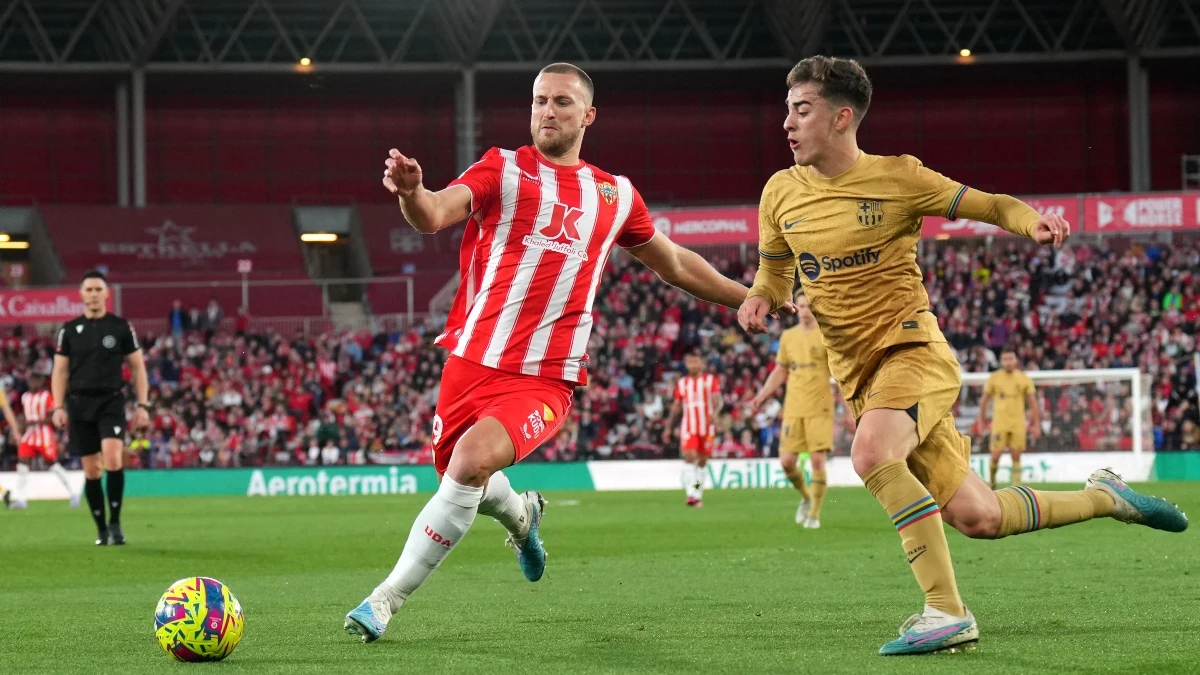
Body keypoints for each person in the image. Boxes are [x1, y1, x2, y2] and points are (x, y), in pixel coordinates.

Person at [737, 55, 1188, 656]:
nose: (787, 124)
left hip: (912, 350)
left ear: (842, 117)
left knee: (871, 453)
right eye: (786, 111)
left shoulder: (899, 177)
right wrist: (761, 298)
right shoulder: (780, 191)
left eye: (802, 110)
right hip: (860, 378)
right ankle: (1108, 497)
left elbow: (994, 204)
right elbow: (775, 268)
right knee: (980, 517)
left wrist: (1033, 223)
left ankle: (945, 612)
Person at [344, 62, 770, 643]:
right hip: (470, 360)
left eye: (563, 102)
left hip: (545, 376)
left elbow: (674, 263)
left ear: (588, 115)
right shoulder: (504, 167)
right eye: (540, 100)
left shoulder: (615, 195)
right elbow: (435, 214)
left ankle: (383, 600)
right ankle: (522, 516)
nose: (548, 111)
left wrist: (749, 296)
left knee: (468, 465)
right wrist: (414, 191)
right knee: (461, 476)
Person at [52, 271, 151, 545]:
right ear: (82, 294)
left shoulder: (120, 327)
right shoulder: (69, 329)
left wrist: (143, 405)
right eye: (89, 289)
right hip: (79, 403)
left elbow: (138, 368)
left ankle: (116, 523)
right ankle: (101, 529)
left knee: (113, 458)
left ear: (107, 293)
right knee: (92, 470)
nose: (94, 294)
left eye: (98, 289)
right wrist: (57, 406)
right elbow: (59, 371)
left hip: (110, 400)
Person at [748, 289, 854, 528]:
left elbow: (840, 378)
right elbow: (780, 371)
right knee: (786, 462)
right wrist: (762, 396)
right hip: (794, 407)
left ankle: (814, 515)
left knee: (818, 460)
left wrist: (848, 412)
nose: (805, 311)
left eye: (809, 306)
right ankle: (806, 498)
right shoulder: (788, 338)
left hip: (820, 407)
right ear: (795, 308)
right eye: (801, 306)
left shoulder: (828, 337)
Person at [7, 373, 80, 509]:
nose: (32, 383)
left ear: (41, 382)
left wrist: (37, 421)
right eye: (30, 380)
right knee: (22, 464)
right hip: (29, 436)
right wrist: (20, 428)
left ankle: (74, 492)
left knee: (52, 464)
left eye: (35, 380)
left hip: (43, 435)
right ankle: (21, 500)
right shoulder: (25, 397)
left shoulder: (46, 396)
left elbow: (52, 417)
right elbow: (24, 415)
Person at [662, 351, 722, 507]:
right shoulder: (682, 383)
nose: (693, 365)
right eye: (690, 362)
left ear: (702, 364)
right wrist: (668, 427)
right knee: (689, 456)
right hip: (689, 427)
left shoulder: (710, 381)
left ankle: (697, 492)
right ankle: (691, 493)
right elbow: (676, 407)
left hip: (706, 428)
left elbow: (717, 400)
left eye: (696, 362)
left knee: (702, 461)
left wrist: (715, 414)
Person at [976, 349, 1041, 488]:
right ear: (1001, 361)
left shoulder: (1023, 378)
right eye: (1005, 359)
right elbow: (984, 401)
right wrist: (981, 422)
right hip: (1000, 423)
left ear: (1016, 360)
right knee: (995, 455)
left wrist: (1036, 425)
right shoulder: (995, 378)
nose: (1008, 362)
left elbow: (1033, 403)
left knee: (1016, 456)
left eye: (1011, 358)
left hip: (1017, 423)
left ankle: (1017, 487)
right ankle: (992, 482)